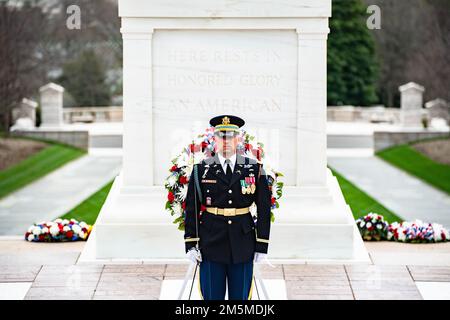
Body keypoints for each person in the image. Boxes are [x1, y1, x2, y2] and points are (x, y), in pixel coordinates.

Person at [183, 115, 272, 300]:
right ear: (214, 139)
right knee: (211, 296)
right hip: (211, 241)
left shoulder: (254, 168)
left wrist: (262, 245)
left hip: (243, 241)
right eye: (221, 137)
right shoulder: (201, 169)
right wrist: (191, 244)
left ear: (238, 139)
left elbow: (264, 208)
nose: (226, 141)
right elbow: (191, 208)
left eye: (230, 136)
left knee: (239, 299)